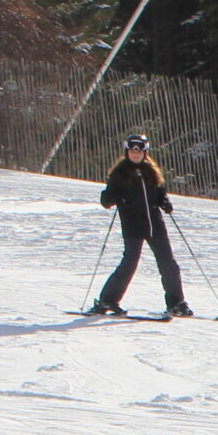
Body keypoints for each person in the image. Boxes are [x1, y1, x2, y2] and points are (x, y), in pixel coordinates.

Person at [88, 134, 191, 319]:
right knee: (130, 263)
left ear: (145, 152)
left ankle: (176, 303)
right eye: (132, 150)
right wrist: (116, 198)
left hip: (155, 225)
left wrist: (165, 202)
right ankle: (107, 300)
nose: (136, 154)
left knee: (168, 263)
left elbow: (160, 194)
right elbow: (106, 200)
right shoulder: (120, 173)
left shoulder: (152, 172)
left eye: (139, 151)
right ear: (127, 152)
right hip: (133, 225)